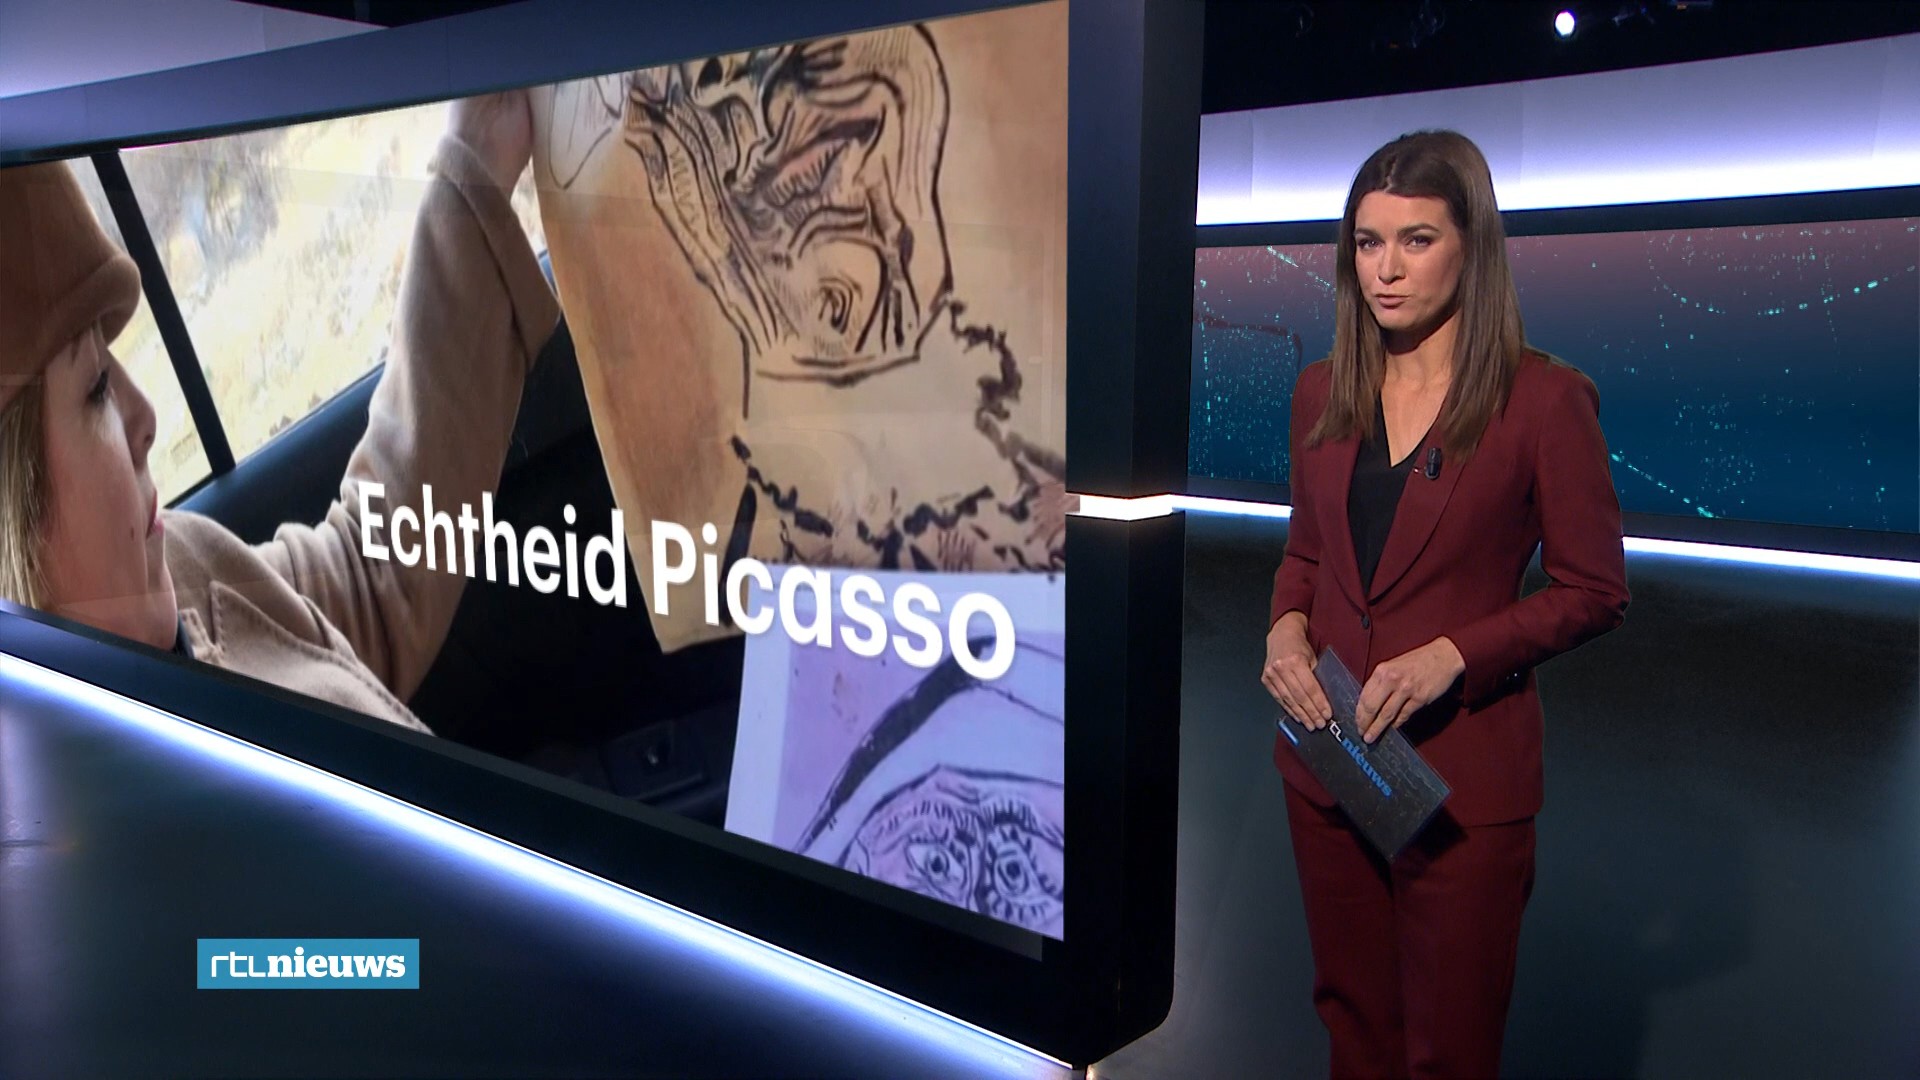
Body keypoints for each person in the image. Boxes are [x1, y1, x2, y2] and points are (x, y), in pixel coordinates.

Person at [0, 90, 560, 734]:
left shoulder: (183, 567)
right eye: (97, 387)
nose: (145, 417)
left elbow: (361, 586)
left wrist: (477, 159)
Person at [1259, 129, 1630, 1079]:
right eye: (1367, 242)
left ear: (1473, 245)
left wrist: (1455, 655)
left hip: (1459, 781)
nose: (1385, 269)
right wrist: (1284, 631)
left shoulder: (1543, 401)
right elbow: (1308, 553)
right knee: (1353, 1028)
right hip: (1329, 761)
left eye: (1416, 240)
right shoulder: (1320, 391)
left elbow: (1594, 590)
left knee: (1449, 1053)